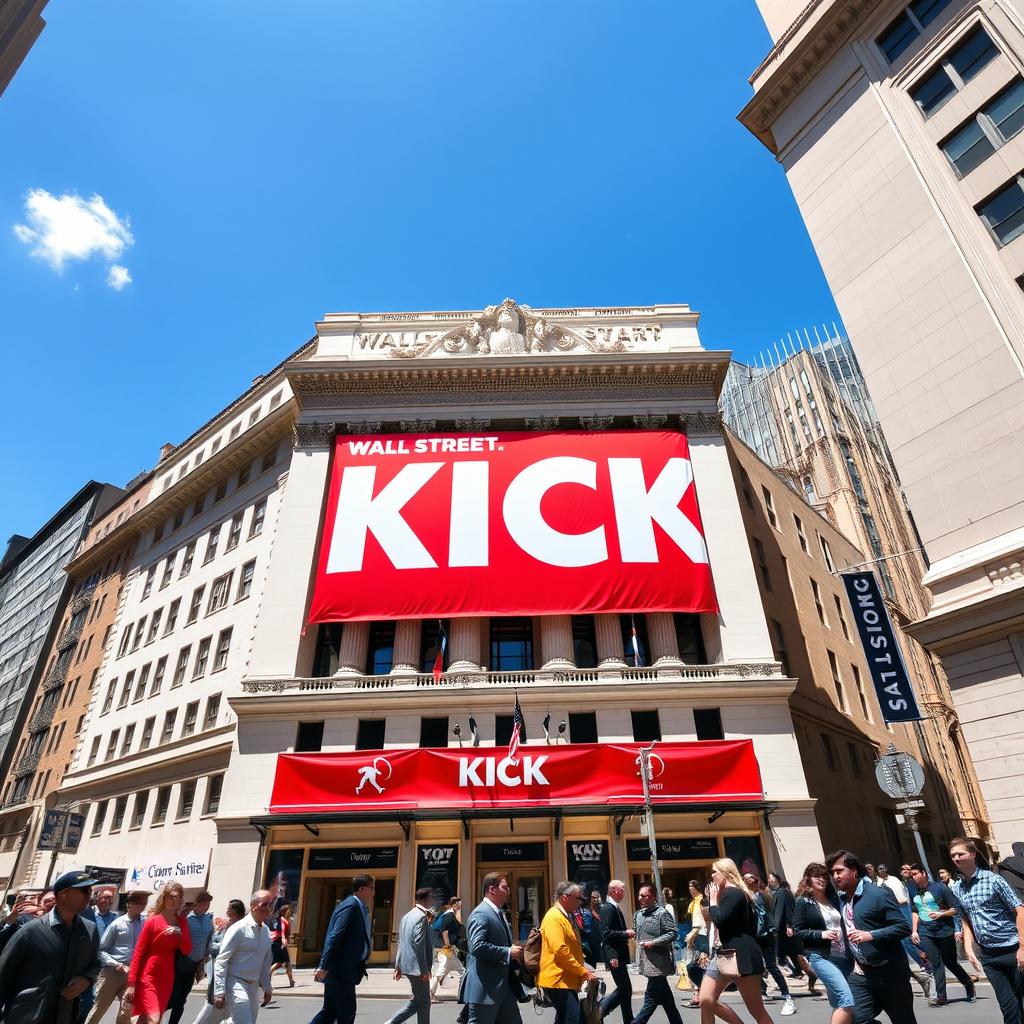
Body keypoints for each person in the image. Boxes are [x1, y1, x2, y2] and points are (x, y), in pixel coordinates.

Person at [825, 849, 916, 1024]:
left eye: (839, 871)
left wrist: (871, 935)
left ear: (853, 871)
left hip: (890, 973)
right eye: (832, 873)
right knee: (859, 1020)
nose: (835, 876)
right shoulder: (841, 900)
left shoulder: (877, 894)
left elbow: (903, 927)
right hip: (860, 975)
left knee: (903, 1020)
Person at [0, 870, 102, 1024]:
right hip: (26, 1016)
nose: (89, 895)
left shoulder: (90, 930)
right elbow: (3, 975)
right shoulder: (31, 931)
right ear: (63, 894)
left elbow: (95, 963)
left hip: (66, 1015)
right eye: (84, 890)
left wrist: (87, 979)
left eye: (91, 891)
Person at [949, 835, 1024, 1024]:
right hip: (989, 956)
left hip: (1012, 950)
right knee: (1008, 1006)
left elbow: (1020, 910)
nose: (956, 858)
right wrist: (968, 947)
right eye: (953, 855)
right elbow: (965, 918)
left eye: (960, 854)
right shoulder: (957, 888)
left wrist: (1022, 948)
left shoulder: (993, 880)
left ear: (973, 854)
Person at [698, 859, 773, 1024]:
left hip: (742, 955)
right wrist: (711, 900)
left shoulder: (735, 893)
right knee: (705, 1000)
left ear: (725, 873)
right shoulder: (724, 894)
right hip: (723, 954)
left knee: (757, 1010)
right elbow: (710, 918)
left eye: (715, 872)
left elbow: (719, 919)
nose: (712, 876)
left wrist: (712, 901)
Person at [458, 871, 525, 1024]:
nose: (508, 891)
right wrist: (508, 952)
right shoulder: (481, 914)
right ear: (492, 890)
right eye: (505, 887)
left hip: (504, 990)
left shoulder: (499, 913)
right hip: (485, 990)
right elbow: (477, 946)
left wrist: (513, 949)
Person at [793, 862, 854, 1024]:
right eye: (816, 876)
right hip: (821, 956)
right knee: (846, 999)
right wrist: (822, 934)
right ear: (808, 879)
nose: (821, 880)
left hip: (843, 956)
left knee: (838, 1003)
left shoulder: (834, 898)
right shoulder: (803, 901)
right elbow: (798, 931)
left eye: (823, 876)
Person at [906, 862, 975, 1006]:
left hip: (944, 930)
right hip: (926, 932)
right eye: (912, 875)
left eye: (916, 874)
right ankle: (941, 996)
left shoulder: (939, 888)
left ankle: (968, 983)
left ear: (923, 873)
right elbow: (914, 910)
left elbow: (955, 908)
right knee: (936, 963)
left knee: (950, 962)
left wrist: (940, 914)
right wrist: (914, 931)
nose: (914, 878)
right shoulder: (912, 890)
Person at [310, 873, 375, 1024]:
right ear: (361, 889)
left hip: (344, 969)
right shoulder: (351, 906)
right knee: (346, 1012)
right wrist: (324, 965)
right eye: (371, 888)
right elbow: (335, 936)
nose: (373, 892)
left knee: (330, 1012)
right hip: (340, 970)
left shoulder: (357, 906)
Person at [126, 881, 192, 1024]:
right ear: (164, 897)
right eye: (170, 896)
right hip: (149, 975)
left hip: (167, 977)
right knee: (154, 1019)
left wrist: (179, 934)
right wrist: (131, 983)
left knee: (145, 1018)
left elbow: (187, 950)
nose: (173, 900)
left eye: (177, 897)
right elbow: (139, 952)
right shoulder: (153, 921)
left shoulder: (181, 922)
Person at [85, 889, 149, 1024]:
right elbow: (101, 950)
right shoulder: (117, 923)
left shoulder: (145, 923)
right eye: (138, 904)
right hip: (112, 973)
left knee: (126, 1012)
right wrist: (117, 964)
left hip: (132, 974)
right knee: (98, 1009)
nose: (141, 907)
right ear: (129, 904)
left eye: (144, 904)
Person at [212, 889, 273, 1024]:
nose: (269, 907)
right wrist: (219, 991)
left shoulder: (266, 931)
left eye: (270, 904)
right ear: (253, 905)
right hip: (235, 983)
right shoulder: (238, 928)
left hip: (253, 986)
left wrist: (267, 988)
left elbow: (265, 963)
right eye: (265, 904)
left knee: (243, 1020)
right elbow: (221, 960)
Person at [538, 881, 594, 1024]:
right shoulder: (553, 917)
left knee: (566, 1016)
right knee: (572, 1015)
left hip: (566, 979)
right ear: (566, 897)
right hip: (557, 979)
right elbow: (560, 951)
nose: (580, 902)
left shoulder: (566, 915)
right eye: (578, 898)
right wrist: (583, 971)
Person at [875, 864, 932, 997]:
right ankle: (922, 969)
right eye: (880, 870)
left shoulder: (894, 880)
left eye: (884, 869)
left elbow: (902, 898)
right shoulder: (878, 883)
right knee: (903, 944)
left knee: (909, 939)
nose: (882, 871)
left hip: (903, 909)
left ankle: (928, 964)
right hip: (892, 912)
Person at [629, 882, 682, 1024]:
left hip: (658, 964)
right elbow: (638, 932)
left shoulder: (662, 913)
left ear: (652, 897)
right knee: (668, 1003)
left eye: (643, 896)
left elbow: (672, 933)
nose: (640, 898)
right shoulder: (638, 914)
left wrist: (653, 942)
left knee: (650, 1000)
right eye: (639, 895)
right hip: (645, 961)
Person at [743, 872, 794, 1015]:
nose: (747, 879)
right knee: (755, 965)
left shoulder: (764, 894)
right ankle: (763, 990)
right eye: (745, 877)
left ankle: (786, 994)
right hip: (754, 935)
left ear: (755, 879)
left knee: (771, 965)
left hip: (767, 934)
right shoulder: (746, 895)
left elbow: (771, 913)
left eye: (750, 877)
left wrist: (777, 928)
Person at [191, 898, 247, 1024]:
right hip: (219, 975)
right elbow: (214, 945)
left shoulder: (239, 928)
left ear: (237, 911)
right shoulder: (225, 927)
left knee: (217, 1013)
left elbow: (221, 948)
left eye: (230, 908)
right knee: (214, 1010)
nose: (227, 909)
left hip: (230, 975)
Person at [387, 886, 435, 1024]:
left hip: (408, 966)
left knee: (418, 1001)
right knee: (424, 1002)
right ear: (426, 899)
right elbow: (418, 946)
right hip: (417, 968)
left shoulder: (407, 916)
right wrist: (424, 970)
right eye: (432, 897)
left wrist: (398, 966)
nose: (433, 900)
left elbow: (402, 943)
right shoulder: (421, 917)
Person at [169, 891, 214, 1024]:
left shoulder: (208, 920)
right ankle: (151, 1017)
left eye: (209, 903)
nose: (207, 905)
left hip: (196, 964)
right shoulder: (187, 918)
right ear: (198, 903)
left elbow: (209, 939)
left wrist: (204, 961)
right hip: (181, 961)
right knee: (174, 998)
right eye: (205, 903)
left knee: (182, 999)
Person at [598, 879, 635, 1024]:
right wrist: (625, 934)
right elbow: (606, 934)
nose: (624, 892)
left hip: (619, 955)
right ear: (613, 891)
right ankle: (600, 1010)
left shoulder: (615, 907)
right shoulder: (608, 908)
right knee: (625, 988)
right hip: (615, 956)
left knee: (625, 989)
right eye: (622, 889)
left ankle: (628, 1019)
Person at [430, 896, 466, 999]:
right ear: (454, 905)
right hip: (445, 949)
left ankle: (431, 993)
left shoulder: (448, 915)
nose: (460, 908)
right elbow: (445, 932)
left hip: (443, 948)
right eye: (459, 906)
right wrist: (447, 946)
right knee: (459, 971)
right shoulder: (449, 916)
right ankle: (461, 994)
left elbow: (460, 928)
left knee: (445, 971)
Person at [683, 880, 706, 1009]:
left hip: (701, 936)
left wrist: (693, 934)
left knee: (696, 966)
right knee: (694, 965)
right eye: (690, 889)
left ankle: (700, 994)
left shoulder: (701, 900)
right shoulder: (693, 903)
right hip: (696, 935)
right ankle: (698, 994)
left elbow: (700, 921)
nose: (691, 891)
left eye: (693, 889)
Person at [269, 903, 294, 987]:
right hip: (279, 943)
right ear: (284, 911)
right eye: (288, 910)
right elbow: (282, 930)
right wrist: (283, 940)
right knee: (280, 962)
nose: (290, 911)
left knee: (287, 963)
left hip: (279, 943)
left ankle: (291, 980)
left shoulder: (286, 920)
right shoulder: (282, 919)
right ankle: (268, 973)